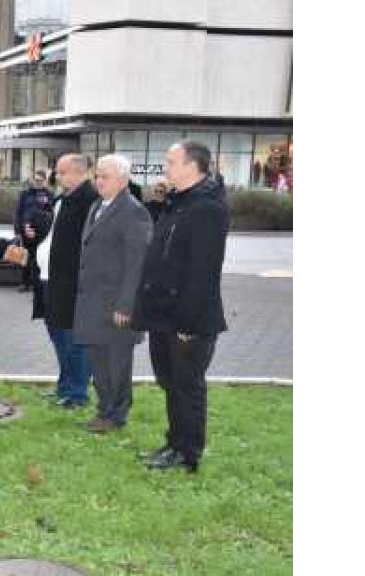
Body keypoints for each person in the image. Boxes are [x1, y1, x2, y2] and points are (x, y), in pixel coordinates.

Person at [132, 140, 229, 473]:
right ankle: (174, 443)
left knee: (187, 387)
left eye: (171, 162)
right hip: (164, 315)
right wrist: (160, 203)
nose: (165, 168)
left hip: (189, 320)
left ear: (192, 166)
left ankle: (188, 453)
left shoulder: (208, 209)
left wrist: (189, 323)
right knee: (171, 383)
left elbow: (204, 271)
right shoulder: (178, 203)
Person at [72, 154, 153, 433]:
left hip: (117, 306)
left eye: (104, 176)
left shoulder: (133, 211)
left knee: (117, 364)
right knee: (99, 362)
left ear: (122, 179)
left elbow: (137, 264)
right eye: (97, 175)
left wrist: (126, 305)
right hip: (93, 302)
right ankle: (104, 410)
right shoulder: (97, 205)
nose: (98, 181)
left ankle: (116, 415)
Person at [42, 154, 99, 408]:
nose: (57, 176)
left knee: (74, 340)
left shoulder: (89, 201)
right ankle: (64, 386)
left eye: (63, 172)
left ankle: (77, 393)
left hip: (73, 282)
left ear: (79, 172)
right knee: (58, 335)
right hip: (52, 278)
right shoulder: (64, 198)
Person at [14, 170, 53, 293]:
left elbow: (52, 212)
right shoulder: (25, 194)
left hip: (42, 231)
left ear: (45, 181)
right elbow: (18, 212)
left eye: (41, 180)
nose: (38, 183)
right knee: (25, 257)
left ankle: (38, 282)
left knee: (40, 257)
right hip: (27, 229)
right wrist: (18, 230)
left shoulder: (49, 194)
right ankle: (24, 282)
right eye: (36, 180)